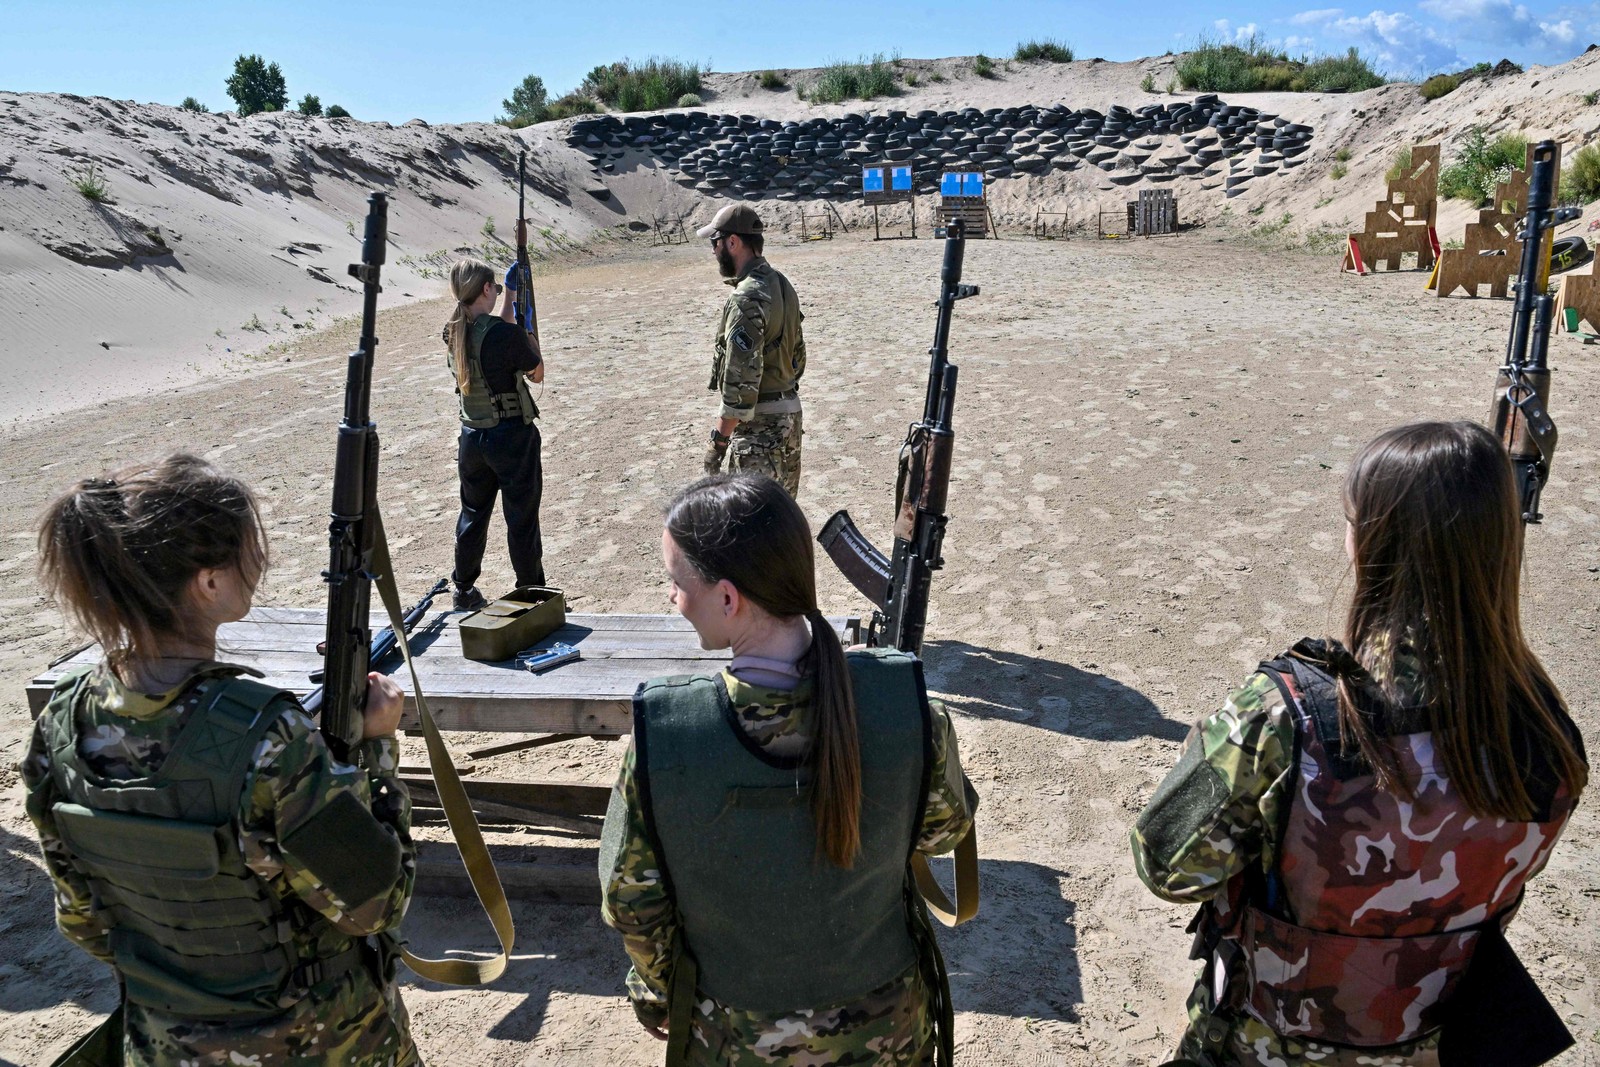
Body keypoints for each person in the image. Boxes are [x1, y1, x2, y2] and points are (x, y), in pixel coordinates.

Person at [1131, 420, 1588, 1067]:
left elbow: (1166, 866)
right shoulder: (1547, 736)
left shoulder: (1285, 714)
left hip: (1262, 1045)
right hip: (1428, 1043)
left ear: (1370, 542)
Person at [23, 453, 419, 1065]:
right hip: (321, 1045)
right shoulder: (269, 737)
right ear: (208, 582)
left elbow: (85, 924)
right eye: (245, 550)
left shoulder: (63, 724)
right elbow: (375, 905)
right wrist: (375, 750)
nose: (257, 563)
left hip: (163, 1044)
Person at [600, 473, 977, 1066]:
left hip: (735, 1038)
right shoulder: (904, 706)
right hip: (888, 1031)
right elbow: (943, 830)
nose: (673, 598)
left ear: (728, 599)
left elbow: (632, 903)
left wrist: (666, 994)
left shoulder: (666, 734)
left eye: (677, 583)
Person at [443, 257, 546, 611]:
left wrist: (512, 296)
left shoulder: (454, 330)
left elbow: (491, 331)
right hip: (511, 438)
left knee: (473, 513)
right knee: (521, 517)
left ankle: (463, 587)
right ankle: (532, 590)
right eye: (496, 288)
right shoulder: (506, 336)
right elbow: (537, 373)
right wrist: (530, 334)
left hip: (472, 437)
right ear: (486, 289)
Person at [695, 205, 808, 497]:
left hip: (759, 433)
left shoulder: (746, 298)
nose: (713, 251)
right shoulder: (783, 285)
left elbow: (740, 388)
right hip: (789, 421)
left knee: (750, 534)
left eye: (715, 243)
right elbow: (798, 359)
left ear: (732, 242)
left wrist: (718, 442)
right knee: (780, 525)